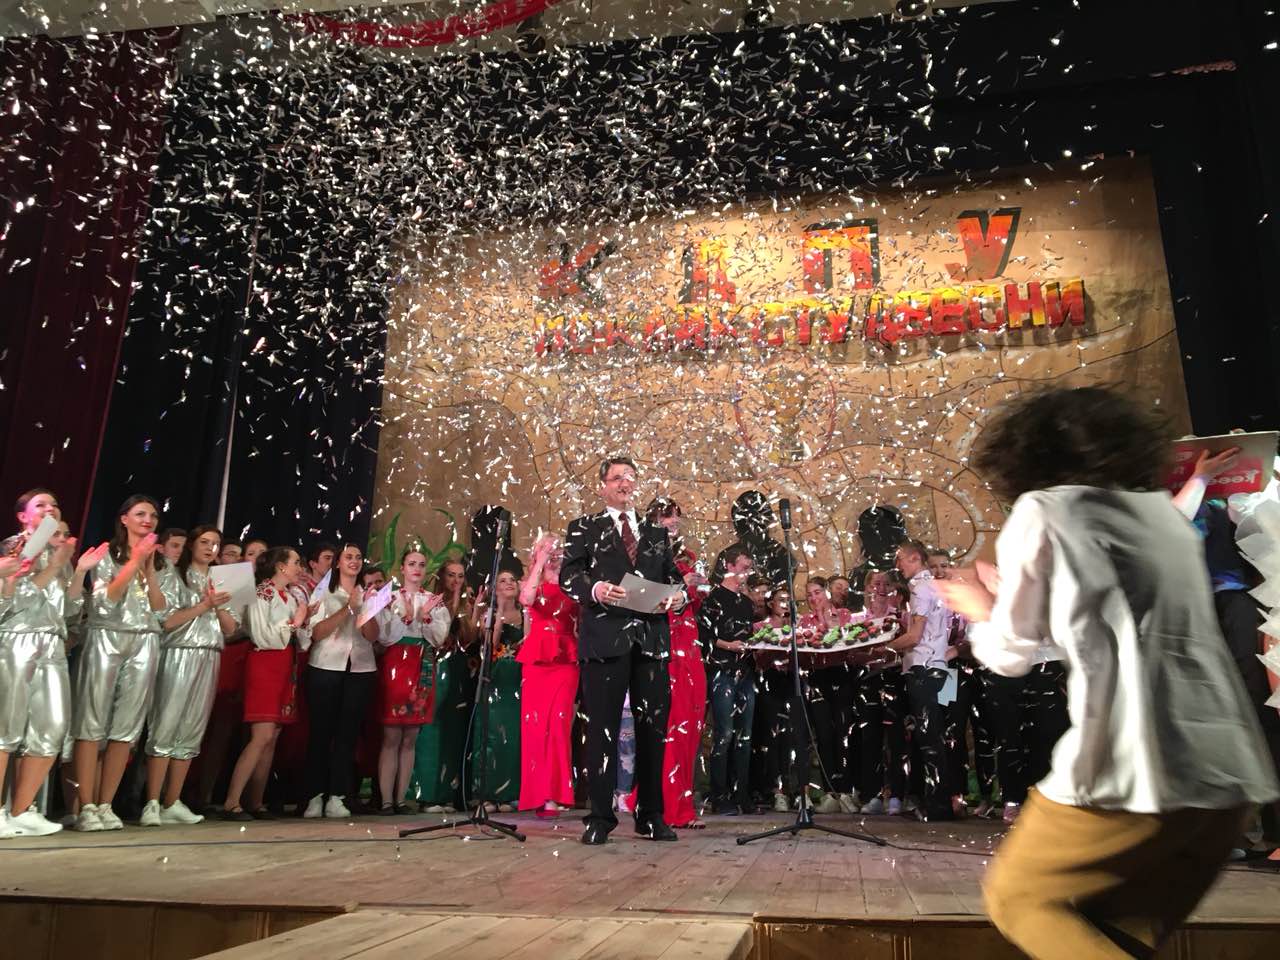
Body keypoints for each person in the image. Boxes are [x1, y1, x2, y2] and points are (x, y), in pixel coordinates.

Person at [935, 385, 1280, 960]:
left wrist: (982, 609)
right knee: (1117, 935)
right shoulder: (1161, 516)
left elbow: (1011, 655)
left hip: (1137, 764)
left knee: (1020, 899)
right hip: (1227, 777)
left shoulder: (1044, 510)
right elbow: (1108, 619)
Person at [560, 455, 685, 844]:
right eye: (616, 478)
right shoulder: (583, 527)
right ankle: (600, 817)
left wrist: (678, 598)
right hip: (604, 639)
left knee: (652, 731)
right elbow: (569, 575)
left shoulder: (656, 533)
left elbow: (674, 579)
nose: (624, 483)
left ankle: (651, 815)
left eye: (630, 477)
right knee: (601, 730)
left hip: (650, 641)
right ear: (603, 486)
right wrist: (596, 589)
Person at [0, 491, 102, 838]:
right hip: (17, 639)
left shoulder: (59, 553)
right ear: (23, 516)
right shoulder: (12, 548)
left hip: (53, 644)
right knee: (6, 728)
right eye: (40, 505)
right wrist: (55, 565)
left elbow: (70, 610)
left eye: (54, 505)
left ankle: (21, 810)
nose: (50, 509)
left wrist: (78, 571)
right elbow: (16, 601)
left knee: (53, 727)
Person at [71, 494, 167, 832]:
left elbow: (160, 609)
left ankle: (106, 804)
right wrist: (134, 562)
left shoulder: (158, 560)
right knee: (91, 723)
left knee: (125, 728)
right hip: (106, 637)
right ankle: (86, 806)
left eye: (153, 515)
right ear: (124, 519)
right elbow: (105, 600)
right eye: (140, 514)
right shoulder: (106, 554)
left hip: (145, 640)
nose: (148, 520)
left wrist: (149, 570)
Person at [141, 525, 237, 826]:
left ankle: (173, 801)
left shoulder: (223, 579)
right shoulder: (173, 575)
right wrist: (204, 604)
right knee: (166, 723)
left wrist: (217, 607)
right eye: (204, 542)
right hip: (178, 653)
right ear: (192, 545)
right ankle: (151, 801)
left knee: (192, 728)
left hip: (209, 654)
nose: (210, 548)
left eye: (215, 544)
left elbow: (231, 628)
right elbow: (167, 621)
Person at [628, 497, 708, 827]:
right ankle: (669, 808)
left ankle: (671, 800)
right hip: (664, 644)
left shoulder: (687, 557)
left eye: (676, 516)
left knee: (690, 725)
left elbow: (695, 601)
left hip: (690, 645)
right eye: (666, 516)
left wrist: (696, 589)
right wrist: (682, 589)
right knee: (670, 726)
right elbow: (638, 597)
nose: (673, 521)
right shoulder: (641, 553)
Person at [221, 546, 310, 819]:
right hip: (265, 664)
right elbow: (262, 634)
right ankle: (232, 801)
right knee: (261, 736)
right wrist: (294, 624)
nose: (299, 568)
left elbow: (298, 637)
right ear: (281, 566)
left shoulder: (289, 596)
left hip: (284, 665)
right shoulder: (262, 593)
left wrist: (302, 621)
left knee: (272, 737)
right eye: (296, 562)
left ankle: (255, 801)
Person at [302, 542, 378, 819]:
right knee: (321, 733)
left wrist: (362, 610)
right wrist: (347, 608)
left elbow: (372, 636)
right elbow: (317, 633)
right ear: (338, 563)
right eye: (348, 557)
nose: (354, 561)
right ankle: (313, 795)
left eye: (358, 557)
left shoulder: (368, 594)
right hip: (325, 666)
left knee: (348, 735)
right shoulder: (324, 591)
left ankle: (338, 795)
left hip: (360, 669)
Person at [373, 546, 450, 814]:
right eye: (411, 564)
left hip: (422, 662)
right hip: (396, 661)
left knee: (411, 736)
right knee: (391, 735)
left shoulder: (434, 601)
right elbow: (383, 636)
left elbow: (439, 637)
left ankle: (401, 799)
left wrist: (424, 617)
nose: (416, 569)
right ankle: (386, 800)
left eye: (421, 564)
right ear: (403, 568)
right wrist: (405, 617)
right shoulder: (390, 598)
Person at [886, 540, 954, 822]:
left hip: (924, 668)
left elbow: (914, 636)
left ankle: (937, 807)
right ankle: (941, 802)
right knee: (937, 736)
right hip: (941, 668)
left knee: (928, 739)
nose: (897, 565)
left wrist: (885, 647)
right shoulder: (937, 586)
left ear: (915, 558)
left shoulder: (920, 587)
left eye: (900, 559)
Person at [929, 549, 995, 819]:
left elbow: (979, 636)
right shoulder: (928, 600)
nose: (939, 571)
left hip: (977, 671)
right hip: (948, 674)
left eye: (944, 565)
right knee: (952, 731)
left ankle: (988, 796)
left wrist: (956, 651)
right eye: (934, 567)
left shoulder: (965, 595)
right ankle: (956, 794)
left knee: (983, 732)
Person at [517, 535, 579, 817]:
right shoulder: (531, 582)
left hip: (565, 659)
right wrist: (540, 563)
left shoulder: (573, 582)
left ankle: (556, 795)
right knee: (535, 728)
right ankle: (536, 794)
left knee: (558, 726)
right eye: (548, 549)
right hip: (537, 658)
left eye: (558, 549)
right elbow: (526, 599)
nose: (555, 554)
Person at [413, 559, 476, 813]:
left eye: (460, 576)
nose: (456, 581)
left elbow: (469, 637)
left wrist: (469, 609)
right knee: (431, 728)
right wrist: (455, 601)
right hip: (435, 666)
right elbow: (438, 635)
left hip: (458, 669)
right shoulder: (433, 601)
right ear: (442, 577)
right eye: (451, 575)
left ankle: (449, 793)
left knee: (453, 731)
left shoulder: (466, 604)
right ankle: (428, 794)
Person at [699, 543, 758, 815]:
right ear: (729, 566)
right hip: (722, 671)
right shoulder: (712, 599)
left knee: (744, 735)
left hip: (745, 672)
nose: (747, 573)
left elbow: (749, 635)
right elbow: (704, 637)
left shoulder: (747, 603)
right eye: (744, 568)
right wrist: (729, 645)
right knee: (724, 733)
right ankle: (719, 795)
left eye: (750, 569)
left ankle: (741, 793)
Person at [469, 568, 524, 811]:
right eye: (503, 580)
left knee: (513, 737)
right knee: (491, 735)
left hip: (517, 680)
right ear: (495, 588)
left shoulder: (525, 613)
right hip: (495, 679)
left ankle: (511, 793)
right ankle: (488, 794)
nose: (509, 583)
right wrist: (499, 611)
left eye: (512, 580)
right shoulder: (488, 615)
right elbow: (490, 646)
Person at [752, 586, 807, 812]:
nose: (784, 603)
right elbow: (756, 658)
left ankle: (799, 791)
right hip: (770, 681)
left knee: (795, 737)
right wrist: (768, 648)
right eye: (780, 599)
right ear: (770, 603)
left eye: (788, 599)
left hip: (793, 681)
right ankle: (777, 791)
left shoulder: (799, 625)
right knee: (773, 737)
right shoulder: (760, 627)